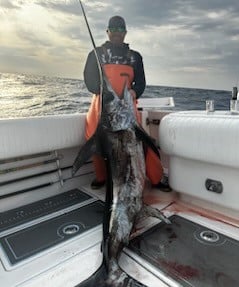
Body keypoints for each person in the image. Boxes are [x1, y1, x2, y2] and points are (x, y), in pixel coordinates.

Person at [84, 15, 166, 190]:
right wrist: (104, 93)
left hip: (127, 105)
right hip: (102, 105)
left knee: (142, 140)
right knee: (93, 137)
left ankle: (156, 179)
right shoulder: (95, 54)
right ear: (107, 31)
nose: (117, 33)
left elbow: (141, 83)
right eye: (113, 29)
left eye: (120, 29)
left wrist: (134, 92)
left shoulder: (135, 57)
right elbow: (89, 80)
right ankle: (102, 177)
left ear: (125, 32)